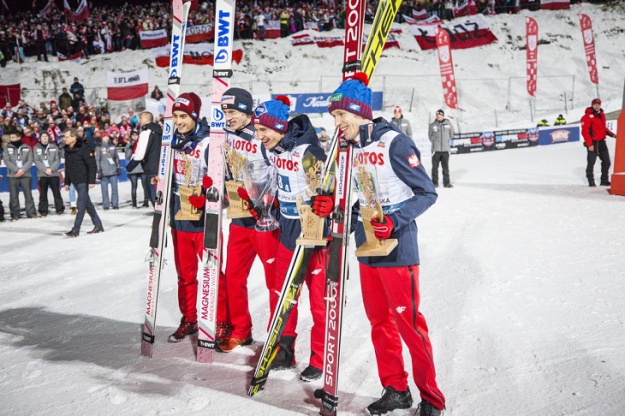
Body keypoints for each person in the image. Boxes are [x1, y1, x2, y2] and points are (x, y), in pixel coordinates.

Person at [325, 72, 445, 416]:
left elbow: (427, 193)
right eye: (334, 116)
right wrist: (337, 219)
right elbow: (360, 199)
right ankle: (396, 389)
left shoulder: (395, 143)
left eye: (341, 114)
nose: (337, 122)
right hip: (367, 248)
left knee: (410, 325)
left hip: (398, 248)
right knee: (380, 323)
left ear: (360, 112)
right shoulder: (351, 148)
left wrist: (394, 221)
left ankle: (432, 398)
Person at [248, 95, 329, 381]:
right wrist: (262, 202)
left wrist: (328, 206)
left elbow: (331, 190)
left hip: (315, 234)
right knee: (284, 295)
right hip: (287, 231)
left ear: (280, 126)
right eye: (257, 130)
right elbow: (273, 181)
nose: (260, 136)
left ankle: (320, 358)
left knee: (319, 301)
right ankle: (284, 351)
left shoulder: (309, 151)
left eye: (263, 130)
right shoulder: (272, 149)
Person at [212, 87, 280, 353]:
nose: (228, 117)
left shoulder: (262, 135)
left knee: (274, 281)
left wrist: (266, 201)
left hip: (265, 220)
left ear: (246, 111)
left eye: (232, 112)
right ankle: (241, 331)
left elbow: (279, 174)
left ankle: (278, 338)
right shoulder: (225, 136)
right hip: (239, 219)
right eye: (225, 112)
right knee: (233, 277)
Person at [162, 92, 211, 343]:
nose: (179, 121)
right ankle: (189, 319)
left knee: (214, 274)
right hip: (179, 217)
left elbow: (223, 179)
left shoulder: (208, 142)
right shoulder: (170, 143)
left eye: (184, 116)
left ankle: (218, 321)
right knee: (185, 275)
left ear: (195, 116)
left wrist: (207, 194)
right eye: (176, 116)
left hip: (204, 220)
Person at [62, 129, 104, 237]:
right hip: (75, 181)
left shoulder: (84, 148)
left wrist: (91, 181)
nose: (64, 139)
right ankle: (98, 225)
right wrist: (67, 182)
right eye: (64, 137)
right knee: (87, 204)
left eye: (67, 137)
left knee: (81, 205)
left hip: (83, 181)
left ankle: (76, 230)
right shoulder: (67, 150)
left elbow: (92, 165)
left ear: (74, 138)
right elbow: (68, 167)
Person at [125, 111, 162, 206]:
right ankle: (162, 212)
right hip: (159, 166)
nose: (139, 120)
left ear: (147, 119)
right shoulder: (158, 130)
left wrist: (129, 167)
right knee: (159, 193)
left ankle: (160, 213)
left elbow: (140, 153)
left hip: (151, 168)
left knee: (152, 194)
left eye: (141, 118)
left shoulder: (146, 132)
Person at [581, 98, 617, 187]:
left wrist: (612, 135)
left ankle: (604, 180)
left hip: (601, 142)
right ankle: (591, 181)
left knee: (607, 162)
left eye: (598, 104)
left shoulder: (601, 114)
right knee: (591, 163)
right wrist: (589, 144)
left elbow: (603, 128)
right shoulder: (587, 117)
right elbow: (585, 132)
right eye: (595, 104)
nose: (597, 106)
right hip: (593, 142)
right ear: (592, 105)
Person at [3, 132, 38, 220]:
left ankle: (31, 213)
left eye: (13, 137)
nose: (11, 139)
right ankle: (15, 214)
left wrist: (22, 170)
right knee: (13, 196)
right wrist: (16, 170)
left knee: (28, 195)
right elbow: (6, 161)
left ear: (19, 137)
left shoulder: (27, 147)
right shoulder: (7, 148)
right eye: (10, 137)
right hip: (12, 175)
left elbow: (30, 160)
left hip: (25, 175)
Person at [33, 132, 65, 216]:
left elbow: (57, 160)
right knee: (43, 193)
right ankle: (43, 210)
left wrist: (51, 169)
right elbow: (36, 160)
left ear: (48, 137)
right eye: (42, 136)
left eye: (46, 136)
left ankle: (60, 209)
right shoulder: (36, 147)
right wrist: (45, 170)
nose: (44, 138)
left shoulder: (54, 146)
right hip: (42, 174)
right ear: (40, 138)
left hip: (53, 174)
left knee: (57, 193)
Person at [428, 109, 454, 188]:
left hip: (445, 150)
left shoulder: (448, 124)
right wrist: (434, 142)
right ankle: (434, 183)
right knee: (435, 168)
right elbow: (430, 136)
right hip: (436, 150)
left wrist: (446, 141)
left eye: (439, 115)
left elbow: (451, 134)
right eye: (437, 115)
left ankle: (447, 183)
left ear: (443, 115)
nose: (438, 116)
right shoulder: (432, 125)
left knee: (445, 167)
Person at [95, 133, 121, 210]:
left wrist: (118, 167)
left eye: (107, 136)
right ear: (102, 138)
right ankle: (106, 204)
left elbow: (116, 158)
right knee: (104, 189)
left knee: (115, 188)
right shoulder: (99, 148)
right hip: (104, 171)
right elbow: (97, 160)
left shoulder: (112, 146)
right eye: (105, 136)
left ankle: (115, 204)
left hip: (113, 170)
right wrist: (99, 170)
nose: (107, 138)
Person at [125, 130, 149, 208]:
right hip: (133, 168)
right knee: (134, 186)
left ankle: (146, 201)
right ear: (131, 136)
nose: (135, 136)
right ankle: (134, 203)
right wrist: (130, 149)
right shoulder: (129, 145)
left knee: (145, 185)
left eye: (136, 135)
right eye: (133, 135)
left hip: (142, 167)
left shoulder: (142, 143)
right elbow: (127, 157)